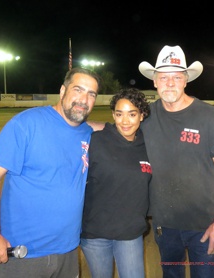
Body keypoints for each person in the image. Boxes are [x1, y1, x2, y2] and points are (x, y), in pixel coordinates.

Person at [0, 67, 100, 278]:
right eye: (78, 90)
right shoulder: (27, 123)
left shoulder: (86, 131)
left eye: (91, 94)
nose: (84, 99)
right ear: (62, 91)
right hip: (23, 254)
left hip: (68, 251)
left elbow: (108, 128)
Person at [138, 45, 214, 277]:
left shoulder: (210, 118)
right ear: (155, 81)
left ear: (186, 81)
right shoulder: (146, 117)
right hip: (165, 225)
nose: (170, 83)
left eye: (176, 77)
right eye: (163, 77)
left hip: (205, 228)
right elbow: (117, 131)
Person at [80, 88, 152, 278]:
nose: (125, 121)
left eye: (132, 114)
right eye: (119, 114)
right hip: (94, 232)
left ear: (142, 116)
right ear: (113, 115)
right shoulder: (96, 141)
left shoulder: (149, 146)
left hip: (130, 232)